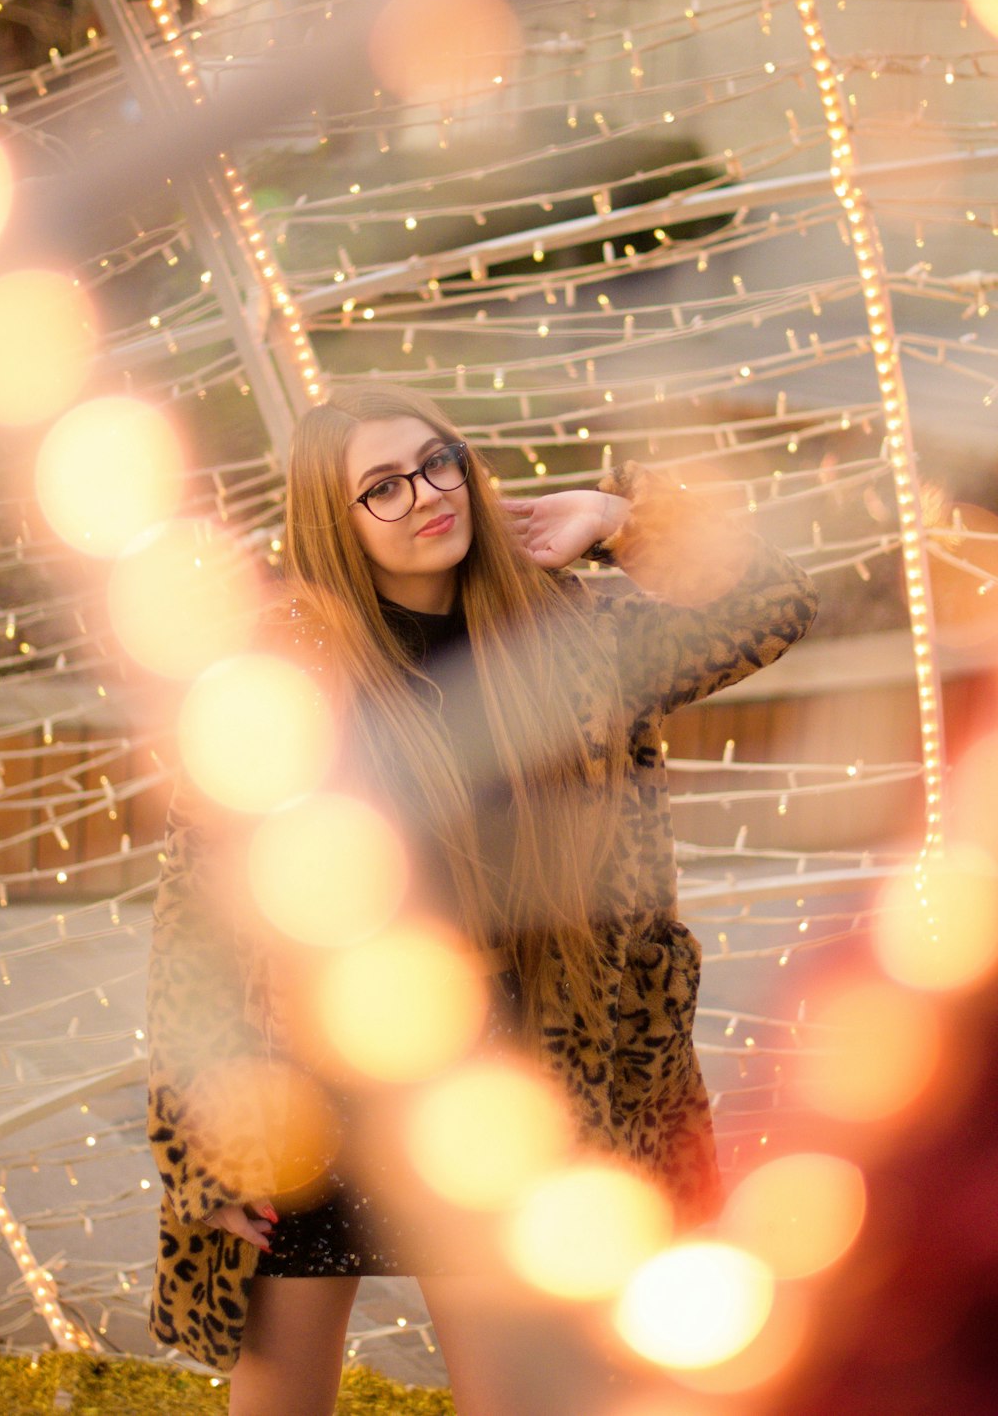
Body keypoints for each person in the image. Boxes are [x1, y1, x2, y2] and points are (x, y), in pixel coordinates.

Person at [146, 381, 818, 1414]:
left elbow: (774, 604)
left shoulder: (573, 636)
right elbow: (200, 921)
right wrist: (204, 1141)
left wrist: (620, 519)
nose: (423, 494)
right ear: (336, 522)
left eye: (436, 461)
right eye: (381, 487)